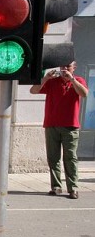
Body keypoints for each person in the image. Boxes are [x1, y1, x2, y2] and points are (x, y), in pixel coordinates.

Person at [29, 61, 89, 199]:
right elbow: (33, 90)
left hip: (70, 126)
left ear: (74, 68)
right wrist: (46, 78)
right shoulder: (53, 82)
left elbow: (84, 93)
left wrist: (72, 79)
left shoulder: (78, 80)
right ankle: (56, 186)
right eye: (62, 67)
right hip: (52, 125)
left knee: (70, 157)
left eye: (68, 66)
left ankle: (73, 187)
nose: (64, 69)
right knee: (53, 157)